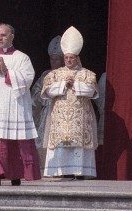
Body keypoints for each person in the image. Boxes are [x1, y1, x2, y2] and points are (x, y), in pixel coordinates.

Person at [0, 24, 40, 186]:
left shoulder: (22, 58)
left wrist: (8, 73)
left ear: (12, 36)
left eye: (3, 35)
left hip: (15, 106)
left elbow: (27, 79)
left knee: (15, 139)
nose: (0, 38)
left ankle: (16, 174)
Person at [41, 26, 99, 178]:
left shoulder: (87, 74)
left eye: (71, 58)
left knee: (79, 143)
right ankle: (61, 171)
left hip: (80, 117)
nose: (68, 60)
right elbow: (47, 91)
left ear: (77, 58)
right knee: (61, 142)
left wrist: (75, 85)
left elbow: (92, 91)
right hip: (60, 117)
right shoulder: (55, 74)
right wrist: (62, 85)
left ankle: (79, 172)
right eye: (66, 58)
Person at [30, 36, 63, 156]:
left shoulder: (67, 74)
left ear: (62, 60)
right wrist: (44, 98)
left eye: (56, 59)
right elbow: (35, 93)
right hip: (46, 113)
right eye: (51, 59)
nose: (53, 62)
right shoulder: (46, 75)